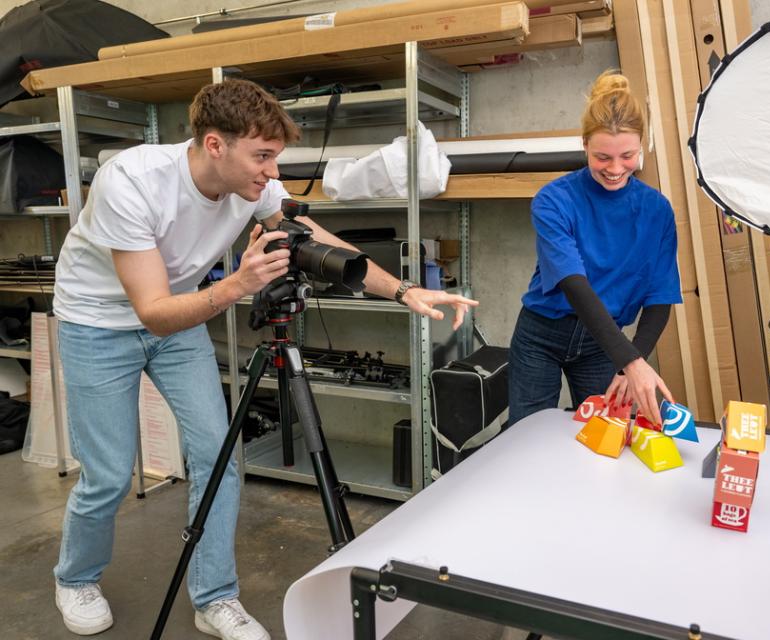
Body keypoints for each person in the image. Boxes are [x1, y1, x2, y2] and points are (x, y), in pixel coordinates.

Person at [51, 78, 477, 639]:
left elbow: (316, 236)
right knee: (106, 474)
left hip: (180, 315)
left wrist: (403, 291)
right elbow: (153, 311)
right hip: (99, 322)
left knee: (219, 455)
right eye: (263, 157)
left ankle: (214, 598)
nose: (273, 173)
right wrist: (238, 285)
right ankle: (75, 578)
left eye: (275, 157)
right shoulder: (131, 181)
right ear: (214, 146)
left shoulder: (254, 188)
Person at [508, 70, 682, 427]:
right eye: (603, 157)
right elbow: (575, 285)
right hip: (541, 335)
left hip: (603, 344)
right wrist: (631, 361)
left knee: (606, 436)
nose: (616, 169)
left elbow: (660, 296)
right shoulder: (554, 200)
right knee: (526, 436)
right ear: (584, 144)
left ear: (643, 146)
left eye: (627, 156)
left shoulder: (657, 210)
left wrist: (631, 359)